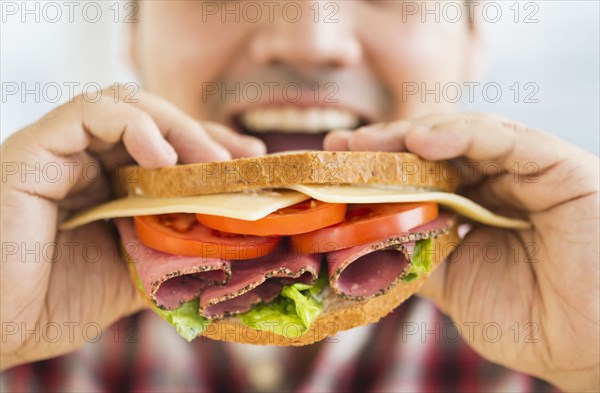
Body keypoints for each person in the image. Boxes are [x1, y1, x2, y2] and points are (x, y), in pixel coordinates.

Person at [1, 1, 598, 392]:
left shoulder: (566, 303)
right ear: (132, 37)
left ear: (473, 43)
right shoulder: (25, 282)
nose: (312, 42)